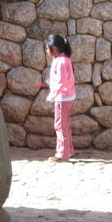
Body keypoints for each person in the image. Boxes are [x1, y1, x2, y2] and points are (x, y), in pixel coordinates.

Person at [39, 34, 76, 162]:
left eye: (47, 49)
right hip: (69, 97)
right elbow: (59, 77)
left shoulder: (60, 61)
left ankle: (62, 154)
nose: (46, 51)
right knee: (65, 125)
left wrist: (51, 95)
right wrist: (48, 82)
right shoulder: (64, 59)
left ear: (54, 49)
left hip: (62, 99)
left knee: (59, 126)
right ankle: (69, 150)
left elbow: (61, 81)